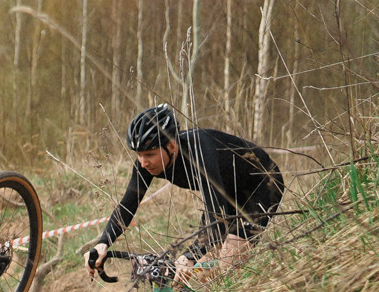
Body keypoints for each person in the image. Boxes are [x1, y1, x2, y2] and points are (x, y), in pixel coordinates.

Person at [82, 104, 284, 281]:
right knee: (199, 273)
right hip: (226, 192)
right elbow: (128, 206)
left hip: (261, 184)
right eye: (139, 155)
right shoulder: (145, 164)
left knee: (228, 263)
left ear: (171, 146)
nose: (143, 163)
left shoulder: (199, 152)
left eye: (150, 155)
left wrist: (189, 255)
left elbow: (217, 215)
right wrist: (103, 243)